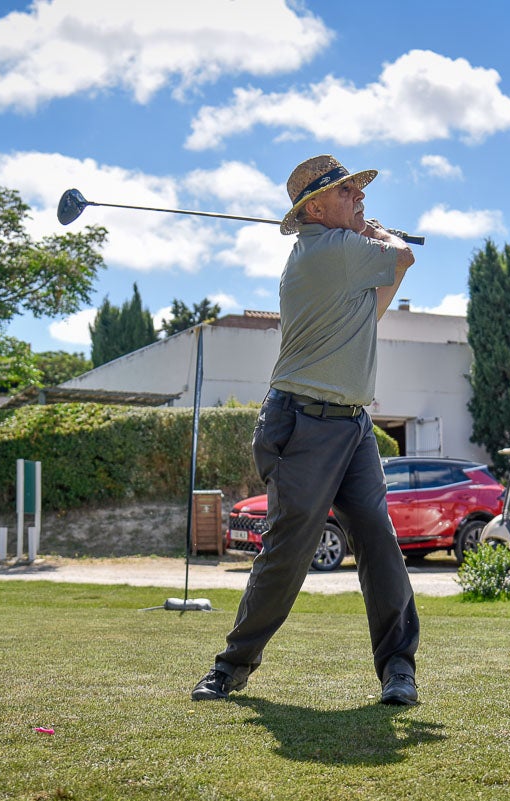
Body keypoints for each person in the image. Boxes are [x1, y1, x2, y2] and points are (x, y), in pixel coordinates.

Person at [192, 154, 420, 705]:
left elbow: (382, 294)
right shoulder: (333, 251)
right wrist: (380, 233)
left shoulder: (342, 256)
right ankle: (231, 665)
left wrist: (374, 237)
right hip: (304, 423)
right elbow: (404, 254)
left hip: (352, 424)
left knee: (378, 542)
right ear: (314, 208)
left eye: (359, 193)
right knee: (289, 552)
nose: (360, 199)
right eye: (348, 194)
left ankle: (398, 670)